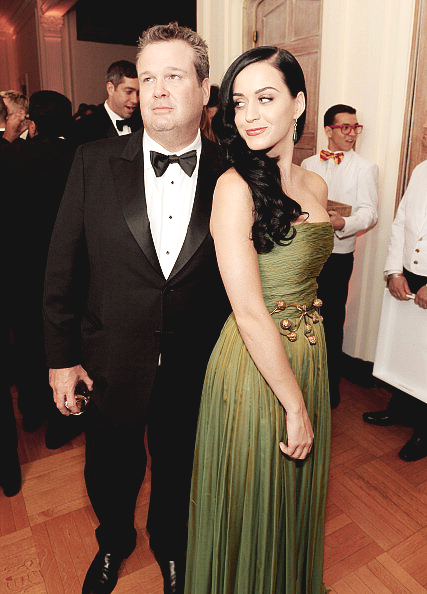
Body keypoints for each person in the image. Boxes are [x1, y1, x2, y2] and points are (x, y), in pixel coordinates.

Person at [43, 22, 230, 594]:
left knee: (179, 467)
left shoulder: (232, 173)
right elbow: (62, 267)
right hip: (110, 360)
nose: (158, 90)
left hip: (194, 365)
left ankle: (170, 546)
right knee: (109, 468)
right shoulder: (92, 161)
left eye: (174, 76)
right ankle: (113, 542)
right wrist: (61, 359)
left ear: (204, 90)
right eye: (148, 78)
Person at [184, 46, 333, 594]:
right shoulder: (233, 187)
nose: (248, 115)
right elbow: (248, 311)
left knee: (292, 503)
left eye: (265, 98)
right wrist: (295, 406)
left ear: (299, 103)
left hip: (309, 355)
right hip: (255, 367)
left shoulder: (315, 185)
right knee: (253, 503)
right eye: (239, 102)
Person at [3, 90, 77, 444]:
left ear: (32, 122)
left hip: (19, 270)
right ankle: (62, 423)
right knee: (62, 345)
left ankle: (32, 412)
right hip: (65, 272)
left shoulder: (10, 157)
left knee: (28, 343)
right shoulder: (78, 160)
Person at [301, 104, 379, 407]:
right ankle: (302, 382)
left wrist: (343, 223)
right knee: (304, 317)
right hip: (307, 254)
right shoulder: (308, 163)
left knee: (332, 321)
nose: (352, 133)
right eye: (345, 127)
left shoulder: (365, 168)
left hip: (337, 256)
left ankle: (329, 391)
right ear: (328, 130)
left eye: (355, 127)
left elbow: (370, 213)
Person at [363, 155, 427, 462]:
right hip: (409, 274)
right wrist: (394, 271)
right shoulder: (421, 169)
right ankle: (400, 410)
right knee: (405, 347)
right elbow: (401, 223)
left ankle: (425, 431)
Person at [72, 60, 142, 146]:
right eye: (129, 92)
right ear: (110, 89)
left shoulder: (144, 123)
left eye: (138, 93)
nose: (135, 100)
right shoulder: (83, 128)